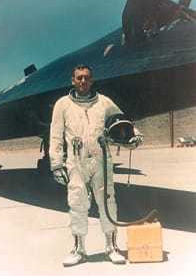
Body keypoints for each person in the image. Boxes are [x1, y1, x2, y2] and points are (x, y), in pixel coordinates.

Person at [49, 64, 143, 267]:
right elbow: (55, 136)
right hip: (76, 162)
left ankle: (112, 247)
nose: (83, 81)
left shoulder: (104, 102)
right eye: (79, 78)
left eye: (86, 78)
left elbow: (122, 121)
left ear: (92, 80)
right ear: (72, 80)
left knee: (108, 202)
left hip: (101, 160)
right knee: (77, 203)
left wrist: (134, 135)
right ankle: (79, 249)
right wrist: (56, 164)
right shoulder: (62, 105)